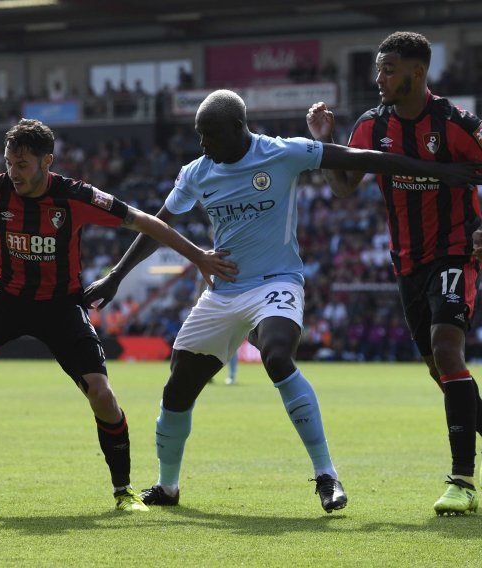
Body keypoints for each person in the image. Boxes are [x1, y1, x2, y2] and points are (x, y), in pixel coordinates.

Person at [82, 89, 482, 514]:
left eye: (210, 135)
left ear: (238, 128)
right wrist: (115, 277)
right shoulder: (196, 173)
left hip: (277, 283)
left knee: (276, 355)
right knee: (178, 387)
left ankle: (327, 475)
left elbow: (365, 158)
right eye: (199, 135)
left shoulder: (284, 153)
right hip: (223, 291)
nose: (203, 144)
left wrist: (440, 172)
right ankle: (167, 486)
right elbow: (157, 226)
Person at [0, 118, 236, 512]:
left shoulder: (76, 197)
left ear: (46, 162)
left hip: (60, 308)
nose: (13, 173)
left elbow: (145, 222)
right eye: (8, 163)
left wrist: (198, 255)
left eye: (22, 165)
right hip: (6, 300)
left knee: (102, 395)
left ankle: (124, 491)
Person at [307, 31, 482, 515]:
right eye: (378, 69)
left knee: (449, 350)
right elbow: (343, 186)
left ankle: (462, 482)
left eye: (388, 69)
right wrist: (324, 140)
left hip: (455, 252)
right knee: (439, 369)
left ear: (417, 72)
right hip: (407, 264)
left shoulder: (456, 123)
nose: (379, 78)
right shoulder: (371, 125)